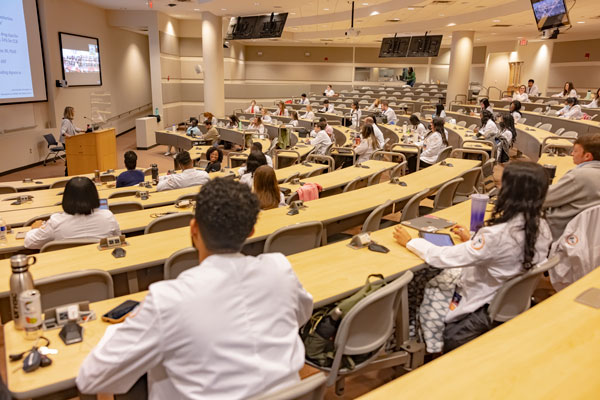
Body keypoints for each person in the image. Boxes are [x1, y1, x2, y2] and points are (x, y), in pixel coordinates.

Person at [76, 178, 313, 399]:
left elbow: (91, 379)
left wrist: (125, 328)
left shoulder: (167, 299)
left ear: (193, 229)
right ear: (251, 231)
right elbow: (302, 315)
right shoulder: (280, 269)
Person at [393, 161, 552, 353]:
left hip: (479, 304)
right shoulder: (542, 226)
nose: (497, 190)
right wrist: (474, 240)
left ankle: (415, 339)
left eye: (501, 185)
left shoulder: (497, 235)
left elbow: (442, 256)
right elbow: (498, 252)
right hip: (505, 299)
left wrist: (410, 241)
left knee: (418, 277)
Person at [24, 177, 120, 249]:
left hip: (67, 272)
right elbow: (118, 238)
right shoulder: (108, 217)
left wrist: (35, 229)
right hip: (102, 269)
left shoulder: (56, 222)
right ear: (94, 195)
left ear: (66, 197)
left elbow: (29, 243)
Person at [544, 134, 600, 240]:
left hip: (560, 231)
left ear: (587, 156)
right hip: (589, 236)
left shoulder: (580, 176)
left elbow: (543, 199)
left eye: (575, 151)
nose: (572, 154)